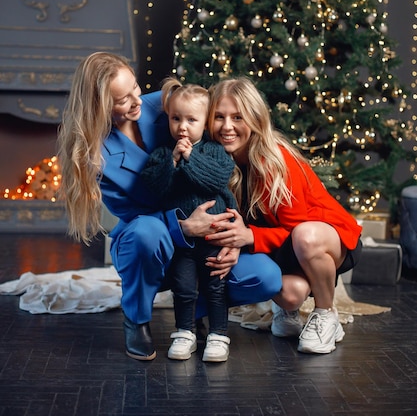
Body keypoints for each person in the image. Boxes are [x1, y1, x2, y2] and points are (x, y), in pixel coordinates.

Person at [57, 52, 282, 361]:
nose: (137, 100)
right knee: (148, 233)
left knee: (265, 276)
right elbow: (134, 215)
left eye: (135, 87)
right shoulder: (98, 156)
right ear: (101, 107)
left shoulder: (163, 106)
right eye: (123, 100)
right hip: (149, 239)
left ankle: (196, 310)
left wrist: (233, 230)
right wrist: (184, 227)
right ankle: (137, 319)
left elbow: (209, 125)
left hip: (206, 230)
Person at [203, 77, 362, 355]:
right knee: (290, 294)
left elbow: (295, 228)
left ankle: (326, 314)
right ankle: (288, 313)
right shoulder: (216, 160)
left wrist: (249, 237)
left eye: (237, 117)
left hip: (325, 239)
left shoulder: (275, 161)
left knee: (306, 237)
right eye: (219, 117)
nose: (227, 127)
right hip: (281, 247)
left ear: (254, 118)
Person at [141, 78, 236, 362]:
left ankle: (218, 335)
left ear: (205, 123)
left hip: (215, 236)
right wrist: (172, 162)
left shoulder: (215, 150)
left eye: (191, 119)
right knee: (183, 287)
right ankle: (185, 332)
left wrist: (190, 159)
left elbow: (215, 180)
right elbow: (154, 188)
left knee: (216, 287)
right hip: (183, 241)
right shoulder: (162, 154)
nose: (182, 126)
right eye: (175, 118)